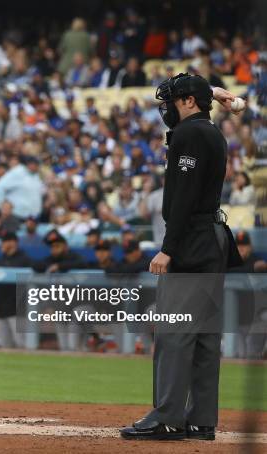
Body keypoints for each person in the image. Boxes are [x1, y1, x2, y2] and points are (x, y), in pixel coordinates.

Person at [121, 73, 242, 441]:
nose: (166, 109)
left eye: (172, 101)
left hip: (191, 241)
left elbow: (185, 197)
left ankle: (168, 417)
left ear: (189, 102)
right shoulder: (209, 131)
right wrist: (210, 96)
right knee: (204, 335)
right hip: (213, 240)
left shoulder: (191, 134)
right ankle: (202, 420)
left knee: (174, 332)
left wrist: (168, 248)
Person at [0, 231, 32, 348]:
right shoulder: (0, 259)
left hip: (17, 309)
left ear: (13, 243)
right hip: (1, 308)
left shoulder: (24, 259)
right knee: (4, 345)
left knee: (21, 344)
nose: (3, 244)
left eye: (5, 242)